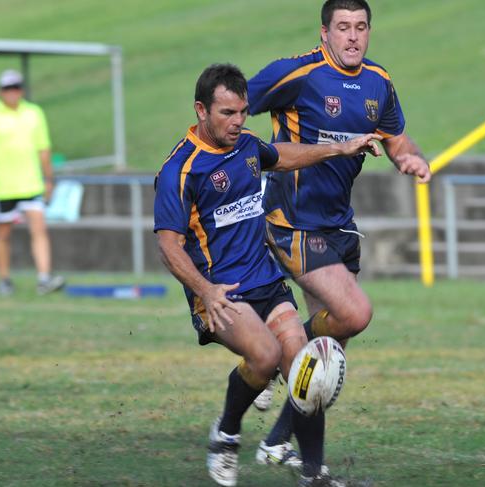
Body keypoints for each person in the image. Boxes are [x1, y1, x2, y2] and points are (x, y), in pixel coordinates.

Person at [154, 63, 382, 487]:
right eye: (227, 113)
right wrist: (206, 289)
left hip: (265, 281)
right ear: (201, 111)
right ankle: (225, 432)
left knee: (303, 367)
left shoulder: (246, 146)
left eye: (242, 112)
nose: (237, 121)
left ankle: (314, 474)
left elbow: (282, 155)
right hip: (221, 291)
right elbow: (168, 245)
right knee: (263, 356)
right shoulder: (180, 170)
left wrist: (339, 148)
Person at [246, 0, 432, 452]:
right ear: (324, 32)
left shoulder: (378, 81)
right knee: (354, 313)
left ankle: (283, 447)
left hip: (339, 227)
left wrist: (408, 155)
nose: (353, 36)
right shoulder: (298, 73)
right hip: (291, 221)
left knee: (331, 352)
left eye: (361, 27)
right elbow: (231, 110)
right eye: (343, 27)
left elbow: (394, 134)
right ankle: (273, 349)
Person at [0, 69, 65, 296]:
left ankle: (44, 278)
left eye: (15, 88)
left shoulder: (34, 113)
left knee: (39, 229)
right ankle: (4, 279)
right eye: (7, 89)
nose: (12, 93)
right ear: (0, 92)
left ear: (21, 90)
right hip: (3, 186)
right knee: (3, 234)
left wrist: (49, 180)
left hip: (31, 184)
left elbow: (44, 149)